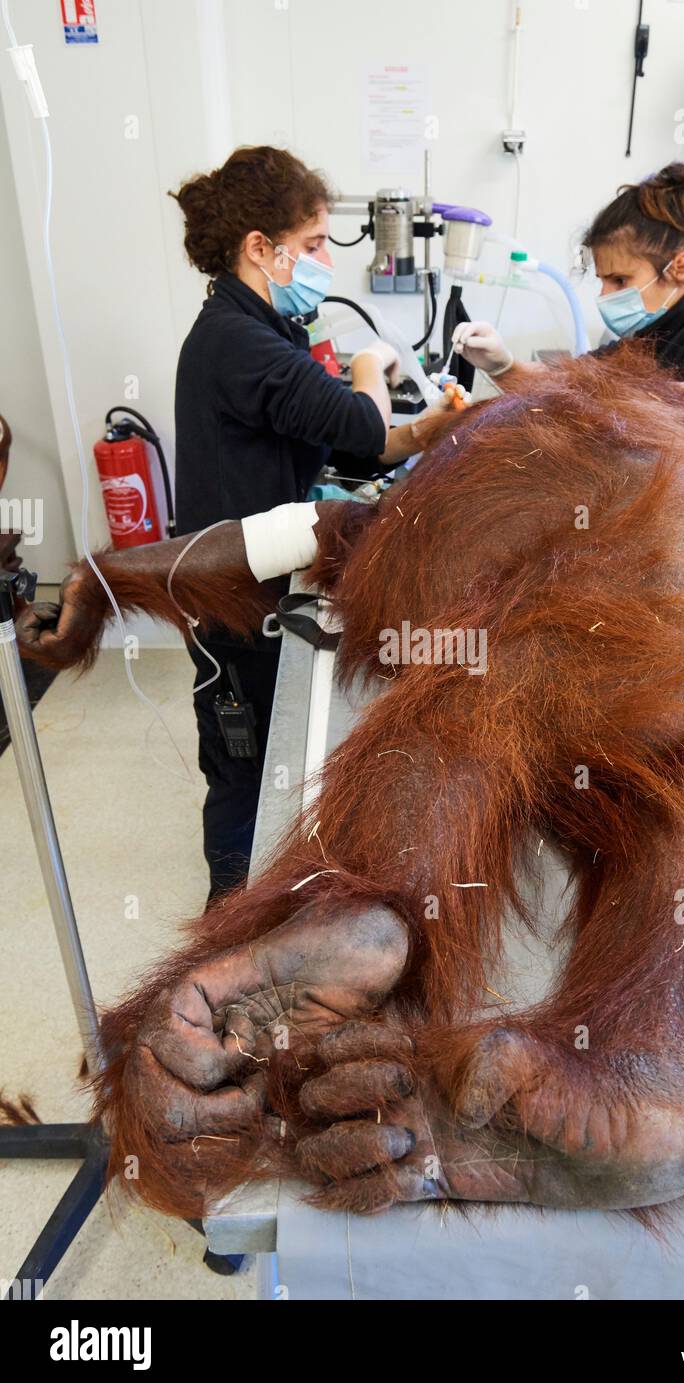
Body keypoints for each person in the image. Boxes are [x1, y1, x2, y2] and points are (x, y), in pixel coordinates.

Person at [167, 144, 439, 899]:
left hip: (265, 576)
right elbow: (354, 420)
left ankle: (276, 895)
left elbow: (344, 439)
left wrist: (429, 429)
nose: (325, 260)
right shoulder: (235, 342)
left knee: (277, 753)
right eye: (314, 244)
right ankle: (227, 923)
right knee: (242, 766)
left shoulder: (267, 329)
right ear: (262, 247)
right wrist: (366, 368)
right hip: (233, 599)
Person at [451, 163, 684, 472]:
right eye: (603, 281)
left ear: (680, 269)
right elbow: (565, 383)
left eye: (620, 280)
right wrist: (502, 365)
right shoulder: (645, 337)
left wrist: (600, 397)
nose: (604, 296)